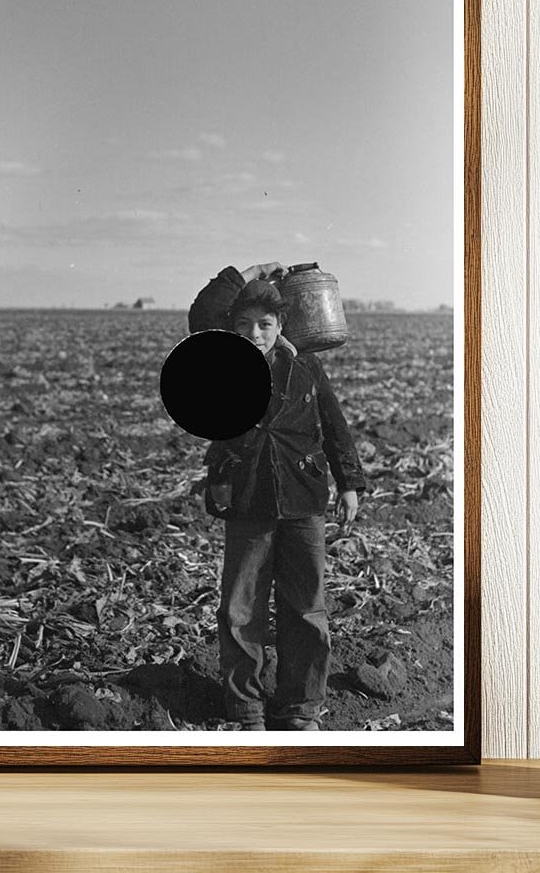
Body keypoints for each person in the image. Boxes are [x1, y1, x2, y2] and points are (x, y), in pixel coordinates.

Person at [188, 261, 367, 731]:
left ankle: (299, 707)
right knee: (241, 607)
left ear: (281, 325)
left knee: (306, 606)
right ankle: (246, 709)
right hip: (247, 497)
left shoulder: (305, 366)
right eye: (243, 325)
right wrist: (247, 272)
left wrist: (349, 483)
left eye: (264, 325)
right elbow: (202, 313)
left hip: (304, 497)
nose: (254, 334)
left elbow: (334, 425)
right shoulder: (222, 364)